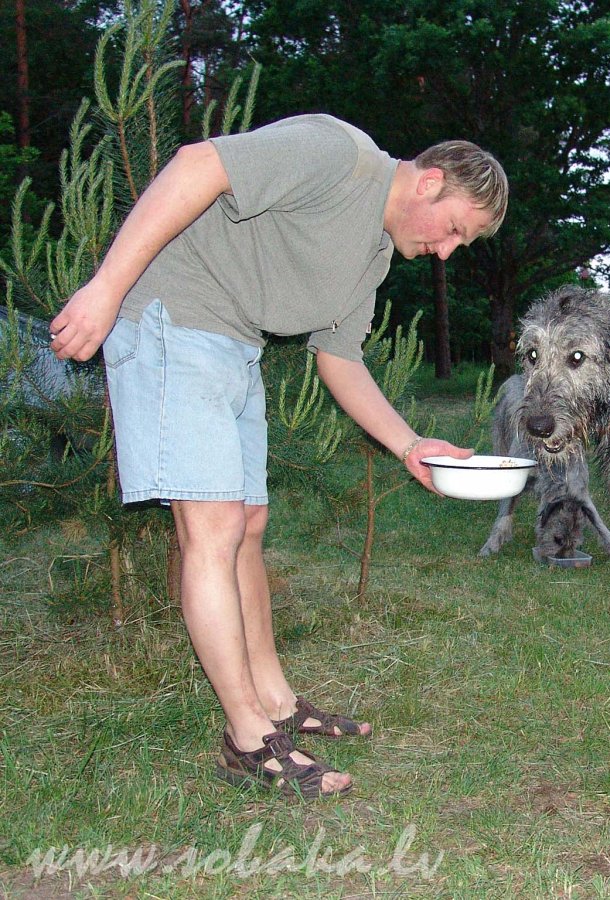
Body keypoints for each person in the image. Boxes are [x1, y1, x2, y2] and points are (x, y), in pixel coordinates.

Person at [49, 114, 508, 798]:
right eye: (454, 229)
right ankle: (244, 737)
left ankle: (276, 701)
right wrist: (106, 289)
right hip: (171, 316)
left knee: (249, 526)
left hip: (235, 342)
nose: (446, 251)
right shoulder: (338, 152)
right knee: (212, 529)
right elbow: (197, 166)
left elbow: (338, 358)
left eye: (461, 245)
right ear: (431, 181)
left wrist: (411, 445)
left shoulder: (372, 255)